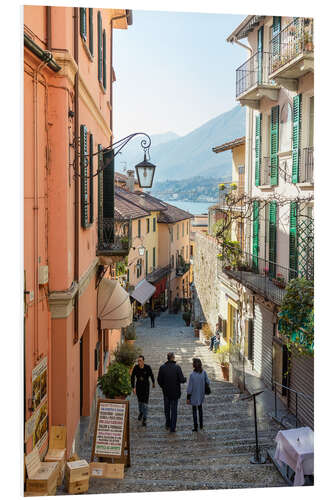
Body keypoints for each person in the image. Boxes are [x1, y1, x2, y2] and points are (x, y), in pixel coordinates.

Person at [157, 352, 186, 432]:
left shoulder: (162, 367)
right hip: (175, 393)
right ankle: (173, 428)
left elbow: (159, 380)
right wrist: (185, 379)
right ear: (173, 358)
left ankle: (167, 424)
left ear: (167, 358)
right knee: (174, 411)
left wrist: (163, 387)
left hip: (166, 393)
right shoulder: (177, 367)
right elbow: (181, 379)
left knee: (167, 409)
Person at [186, 358, 210, 432]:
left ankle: (195, 427)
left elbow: (190, 388)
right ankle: (201, 425)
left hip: (193, 395)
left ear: (194, 365)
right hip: (201, 394)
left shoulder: (192, 375)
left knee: (194, 410)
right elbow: (208, 382)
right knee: (200, 409)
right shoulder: (204, 373)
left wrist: (188, 397)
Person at [131, 355, 155, 427]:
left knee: (145, 403)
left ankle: (144, 418)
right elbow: (132, 377)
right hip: (138, 387)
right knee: (140, 402)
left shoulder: (147, 367)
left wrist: (153, 382)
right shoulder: (136, 367)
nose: (139, 362)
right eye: (138, 361)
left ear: (143, 361)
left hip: (146, 387)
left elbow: (151, 375)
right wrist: (133, 387)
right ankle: (141, 412)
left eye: (140, 360)